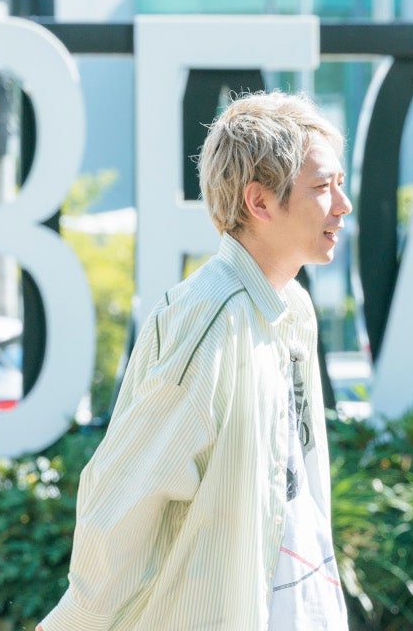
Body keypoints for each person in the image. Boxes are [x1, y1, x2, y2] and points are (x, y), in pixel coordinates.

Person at [40, 92, 353, 631]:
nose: (343, 206)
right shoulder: (208, 317)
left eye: (338, 185)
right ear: (259, 202)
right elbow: (128, 493)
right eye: (323, 188)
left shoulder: (293, 309)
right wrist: (74, 621)